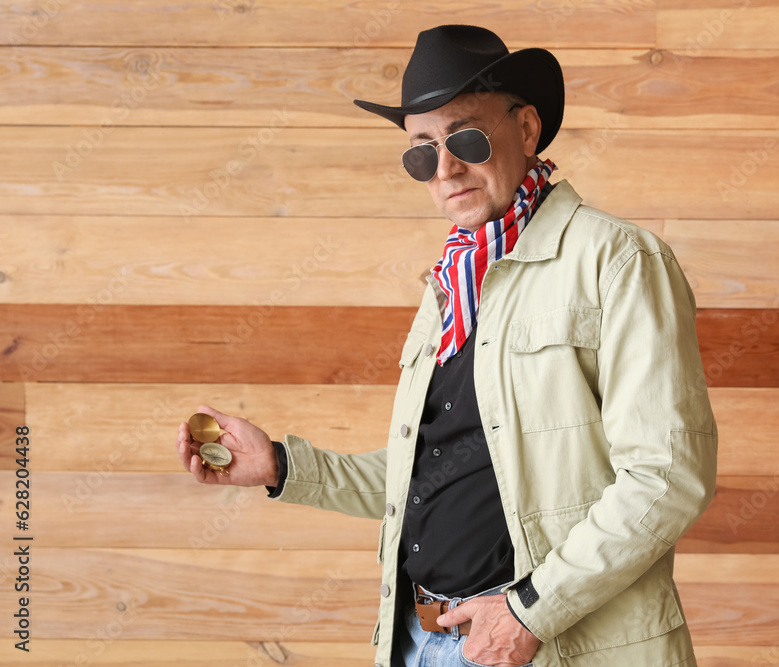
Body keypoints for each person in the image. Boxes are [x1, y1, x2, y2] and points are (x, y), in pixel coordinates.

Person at [177, 24, 718, 667]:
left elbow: (666, 474)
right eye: (421, 151)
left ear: (526, 130)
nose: (445, 168)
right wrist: (281, 467)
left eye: (465, 136)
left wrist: (528, 610)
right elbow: (426, 477)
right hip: (420, 639)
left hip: (546, 643)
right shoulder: (450, 289)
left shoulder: (616, 261)